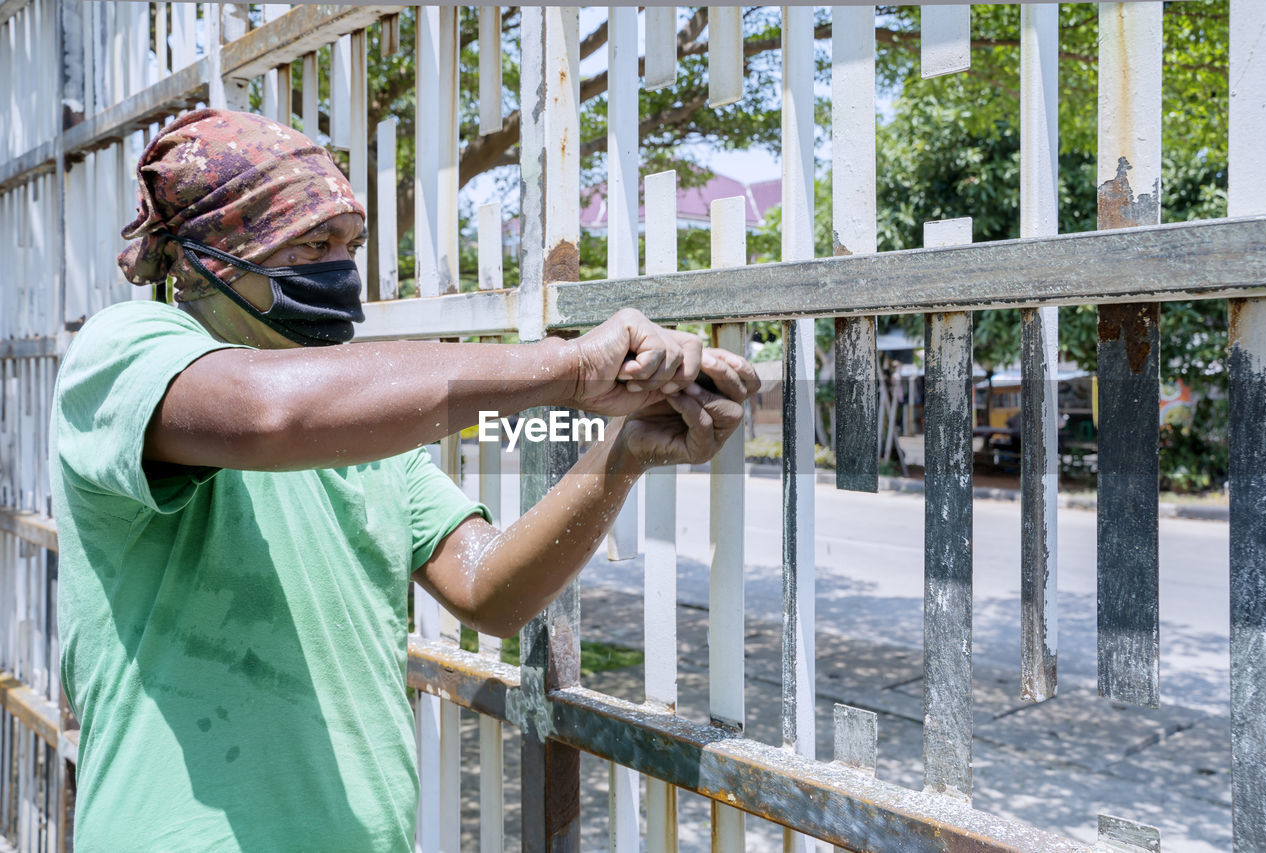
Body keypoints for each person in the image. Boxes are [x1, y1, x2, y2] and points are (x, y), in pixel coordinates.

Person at [51, 109, 759, 851]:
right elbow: (270, 413)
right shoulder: (126, 353)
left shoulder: (363, 429)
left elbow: (492, 590)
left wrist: (624, 453)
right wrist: (573, 367)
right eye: (313, 244)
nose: (340, 270)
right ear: (217, 255)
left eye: (348, 246)